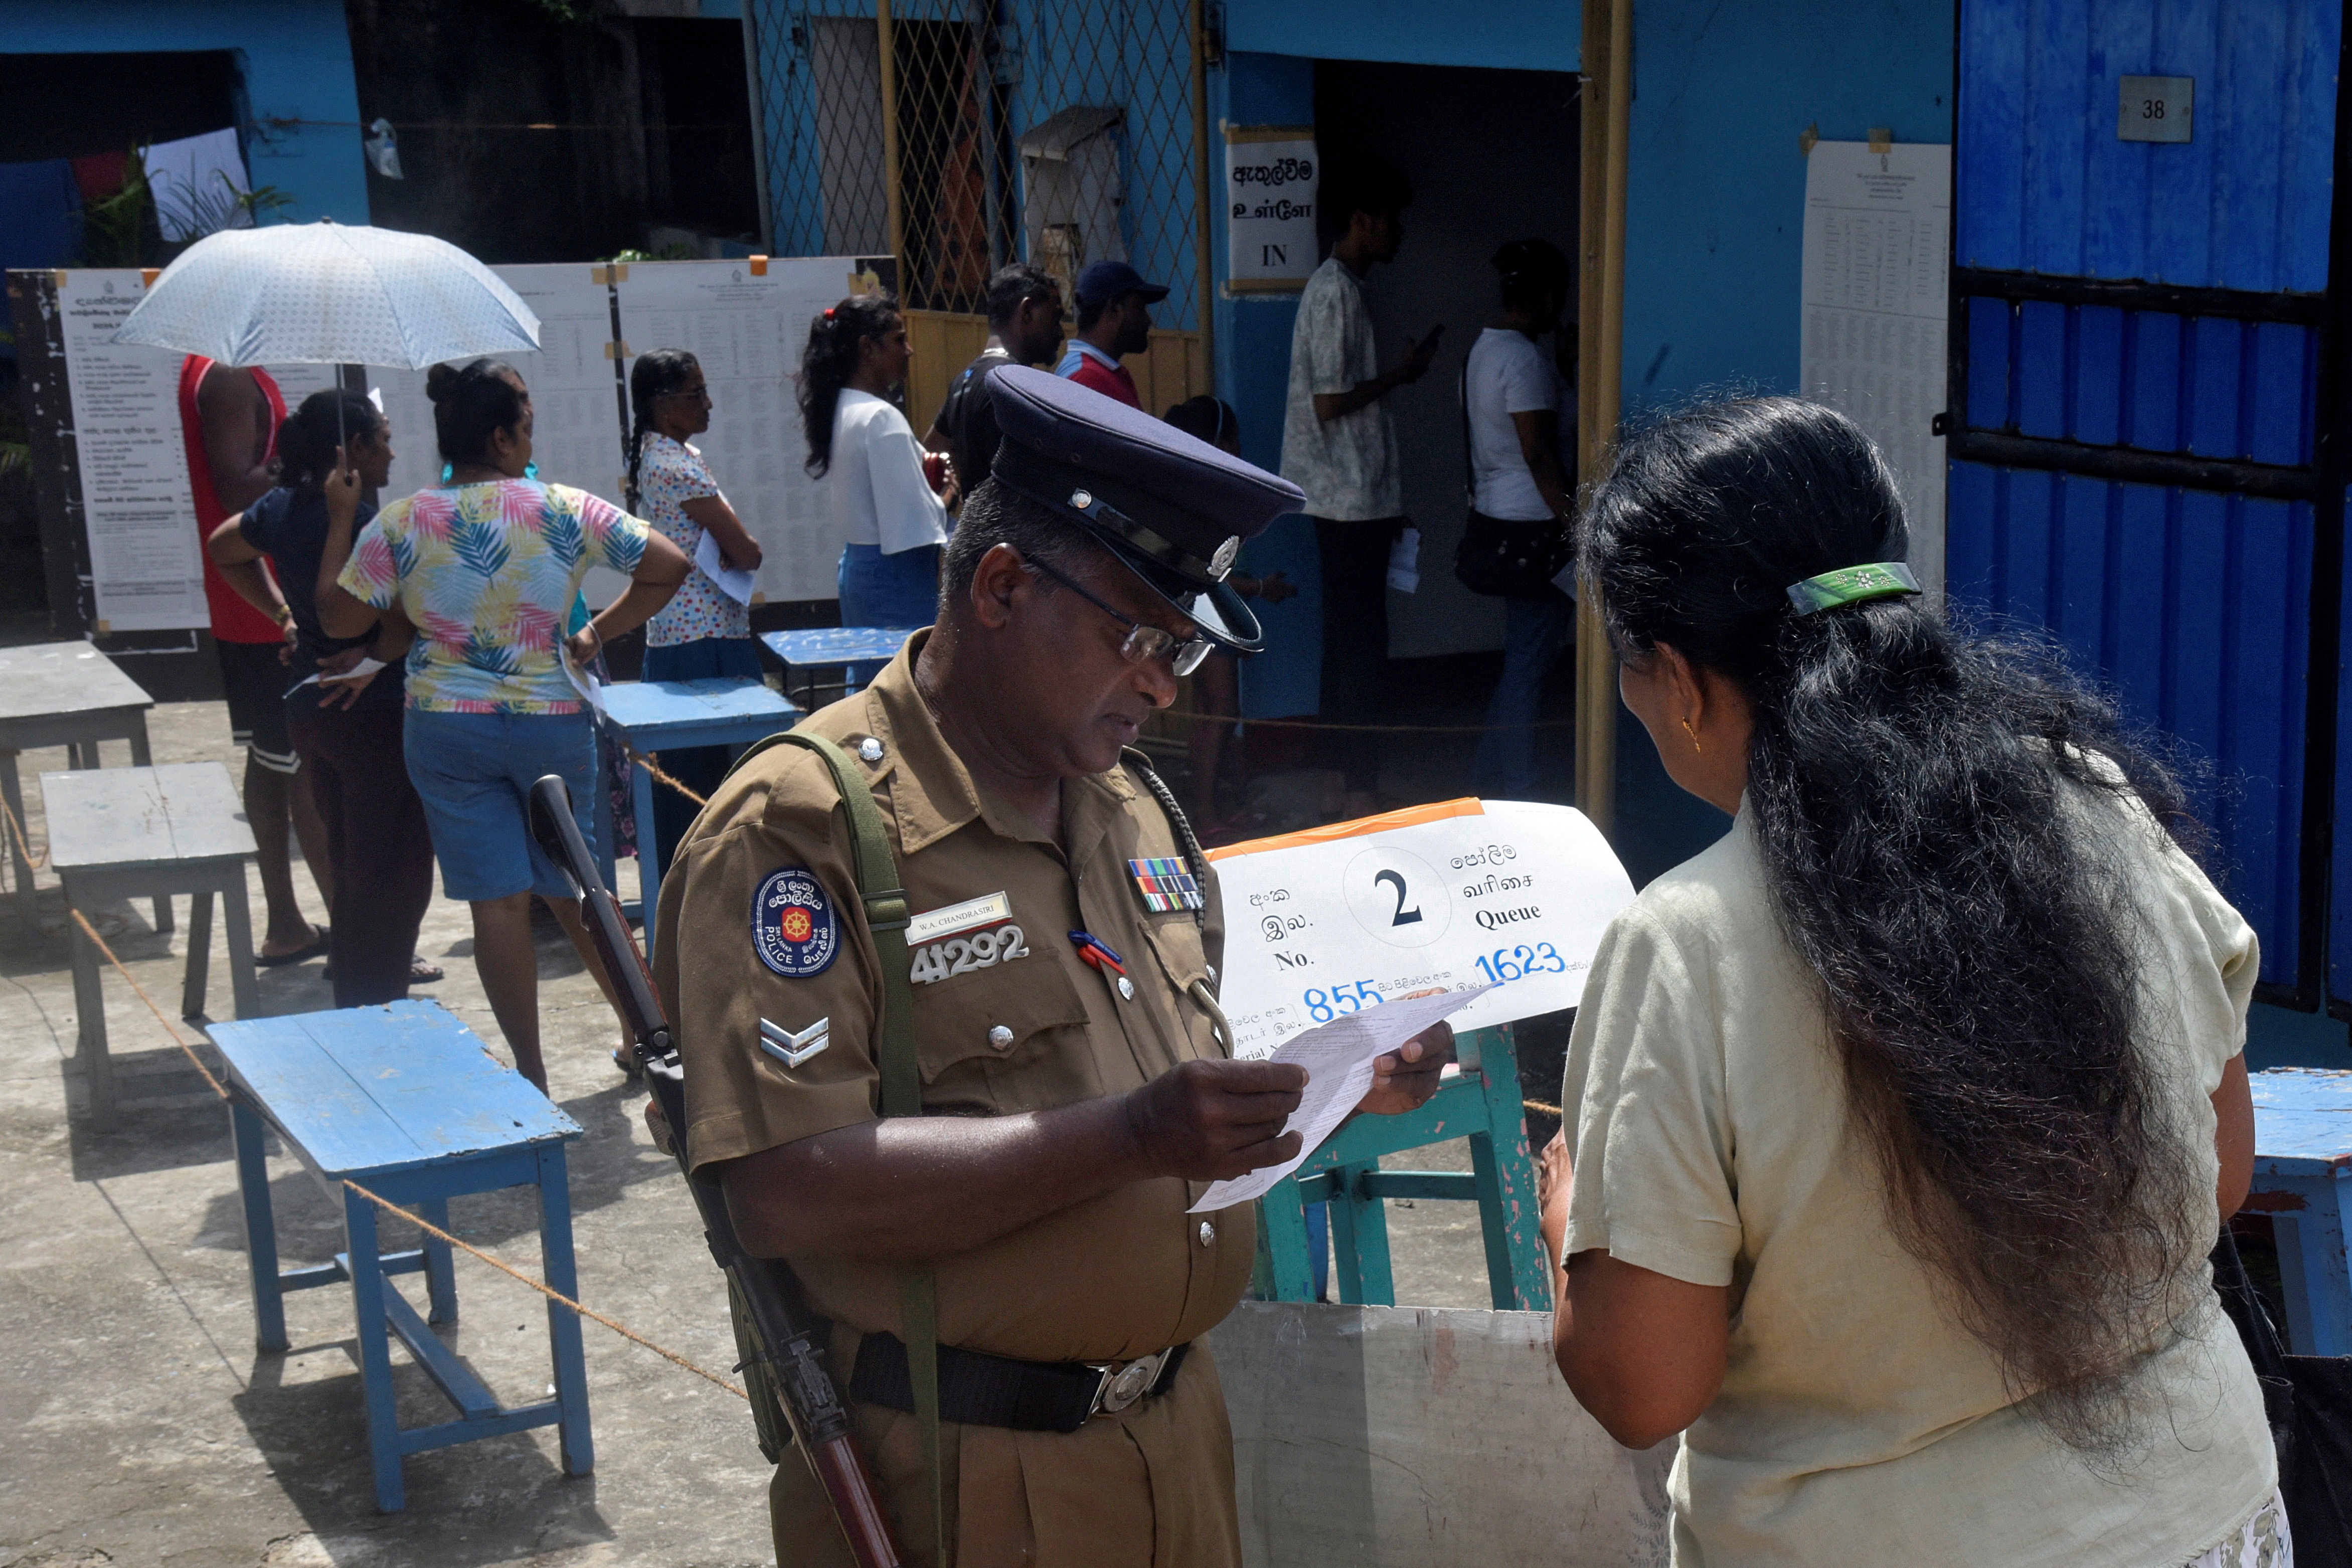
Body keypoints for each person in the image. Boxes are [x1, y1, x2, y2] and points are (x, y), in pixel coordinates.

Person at [653, 366, 1456, 1566]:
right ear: (1002, 583)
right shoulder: (805, 827)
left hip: (1179, 1442)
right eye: (1136, 634)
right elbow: (782, 1185)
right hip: (964, 1478)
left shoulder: (1137, 811)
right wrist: (1130, 1135)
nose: (1159, 681)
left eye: (1180, 648)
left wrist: (1342, 1088)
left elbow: (1186, 1111)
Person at [1544, 398, 2278, 1566]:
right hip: (2203, 1516)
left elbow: (1642, 1382)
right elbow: (2219, 1166)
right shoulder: (2087, 801)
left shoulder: (1685, 941)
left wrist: (1578, 1211)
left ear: (1677, 678)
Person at [318, 358, 693, 1093]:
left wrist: (341, 516)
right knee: (583, 889)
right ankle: (644, 1039)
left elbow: (339, 617)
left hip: (445, 726)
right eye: (526, 425)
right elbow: (670, 564)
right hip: (552, 719)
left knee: (497, 902)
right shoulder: (562, 507)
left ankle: (531, 1073)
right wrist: (596, 634)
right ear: (501, 434)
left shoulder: (404, 521)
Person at [206, 390, 436, 1007]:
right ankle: (378, 1006)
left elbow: (225, 548)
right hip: (375, 717)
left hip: (312, 714)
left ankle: (357, 990)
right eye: (382, 437)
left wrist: (282, 614)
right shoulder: (363, 525)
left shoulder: (279, 508)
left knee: (351, 862)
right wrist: (378, 655)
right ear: (352, 451)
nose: (391, 449)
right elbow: (389, 623)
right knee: (394, 870)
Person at [1279, 156, 1441, 818]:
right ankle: (1359, 788)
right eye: (1390, 222)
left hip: (1349, 497)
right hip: (1346, 500)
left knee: (1347, 642)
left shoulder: (1339, 287)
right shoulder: (1335, 291)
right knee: (1361, 647)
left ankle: (1339, 782)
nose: (1397, 234)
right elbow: (1328, 402)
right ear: (1361, 221)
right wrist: (1399, 376)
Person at [178, 354, 333, 965]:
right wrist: (311, 462)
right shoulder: (226, 376)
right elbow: (235, 484)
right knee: (306, 768)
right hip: (266, 603)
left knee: (272, 761)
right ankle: (356, 931)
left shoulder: (223, 371)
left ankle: (288, 924)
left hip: (255, 604)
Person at [625, 347, 768, 870]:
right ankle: (709, 884)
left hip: (682, 633)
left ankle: (694, 881)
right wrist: (740, 545)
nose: (708, 403)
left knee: (689, 779)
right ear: (664, 405)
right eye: (696, 393)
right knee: (712, 781)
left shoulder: (662, 454)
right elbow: (747, 550)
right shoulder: (675, 466)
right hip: (704, 639)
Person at [1463, 238, 1577, 800]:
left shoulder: (1485, 350)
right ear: (1548, 296)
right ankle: (1518, 789)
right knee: (1529, 666)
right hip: (1537, 527)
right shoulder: (1524, 361)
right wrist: (1578, 525)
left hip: (1500, 516)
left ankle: (1488, 780)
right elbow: (1538, 453)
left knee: (1520, 661)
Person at [1161, 395, 1295, 830]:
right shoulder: (1207, 494)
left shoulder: (1187, 485)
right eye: (1233, 440)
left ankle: (1210, 807)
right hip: (1206, 613)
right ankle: (1203, 813)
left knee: (1214, 711)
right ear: (1220, 440)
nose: (1238, 450)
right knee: (1218, 712)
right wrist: (1259, 588)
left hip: (1203, 612)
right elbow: (1203, 571)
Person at [801, 294, 958, 628]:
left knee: (868, 674)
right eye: (899, 340)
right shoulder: (881, 418)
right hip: (894, 575)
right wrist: (947, 496)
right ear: (869, 349)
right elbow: (912, 521)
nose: (909, 350)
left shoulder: (844, 407)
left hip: (860, 568)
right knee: (901, 675)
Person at [925, 262, 1065, 490]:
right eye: (1055, 318)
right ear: (1027, 312)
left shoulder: (963, 381)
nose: (1060, 333)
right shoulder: (1014, 384)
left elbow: (932, 447)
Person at [1054, 260, 1166, 409]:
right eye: (1139, 308)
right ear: (1113, 310)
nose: (1148, 320)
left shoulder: (1101, 372)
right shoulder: (1086, 379)